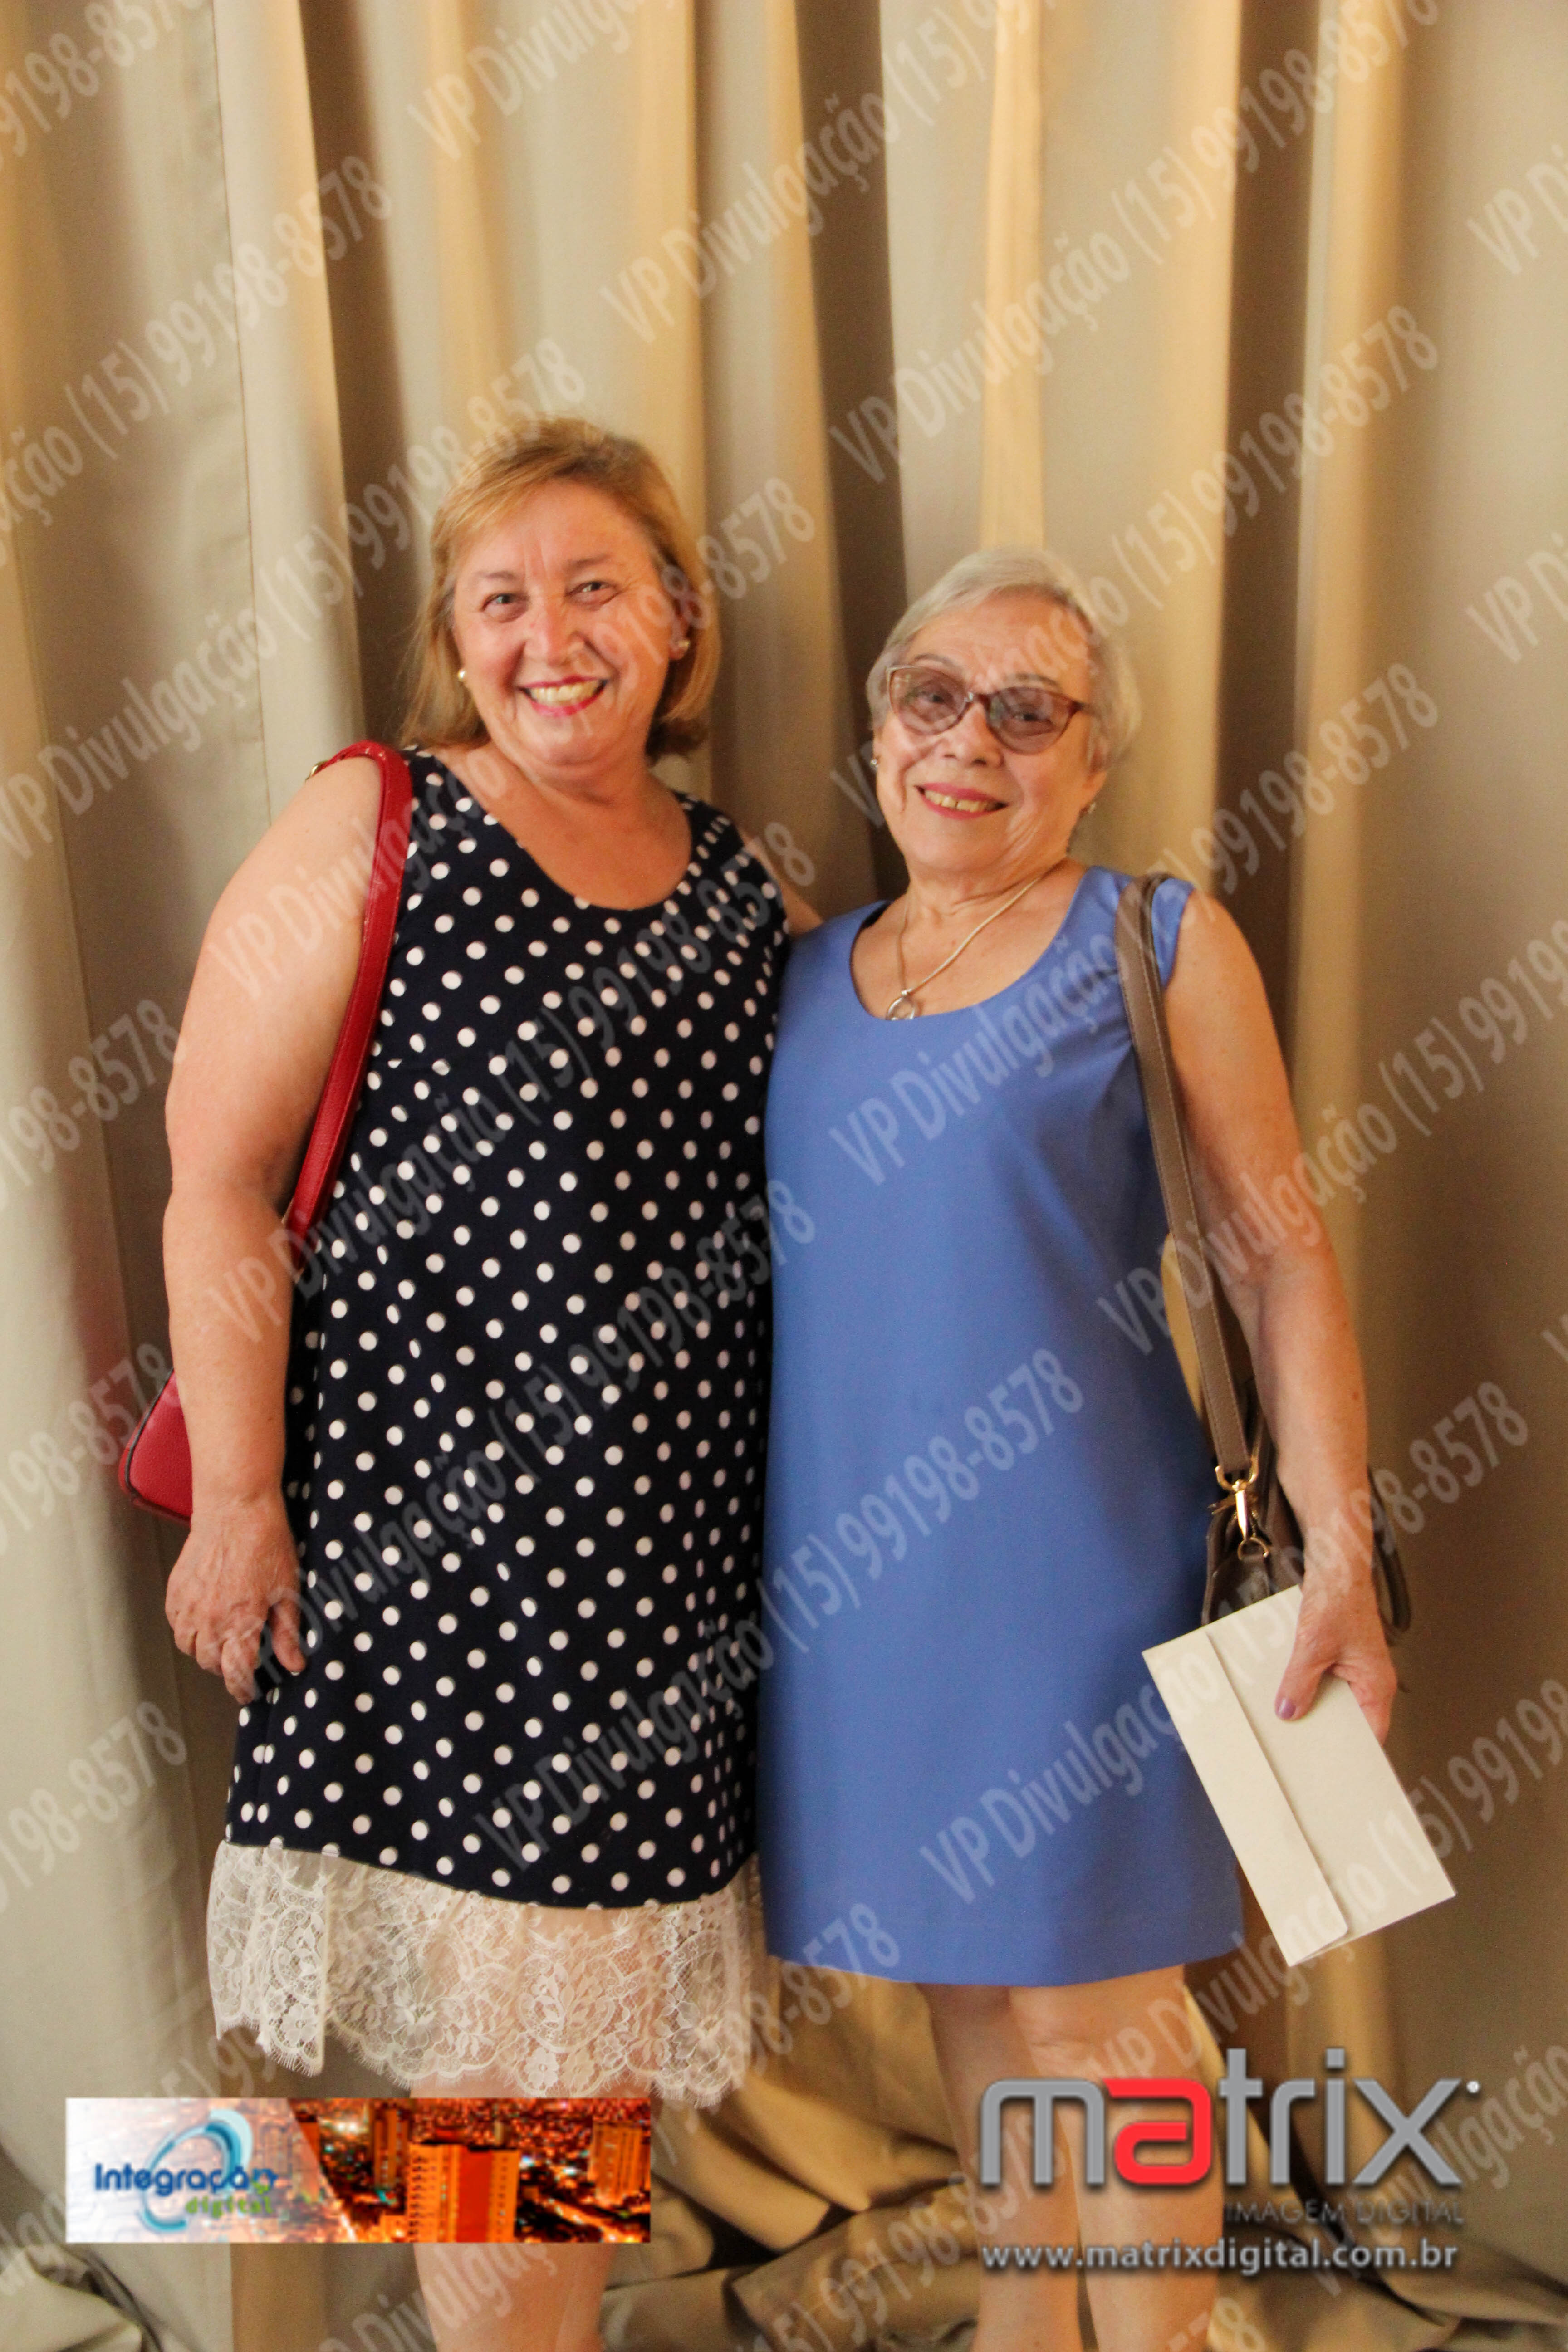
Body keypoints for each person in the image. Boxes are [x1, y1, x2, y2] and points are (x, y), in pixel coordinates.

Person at [163, 416, 812, 2351]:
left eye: (594, 587)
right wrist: (240, 1500)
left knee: (558, 2097)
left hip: (663, 1592)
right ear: (454, 636)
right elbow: (215, 1181)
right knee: (526, 2091)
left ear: (678, 620)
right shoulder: (379, 821)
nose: (549, 637)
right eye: (500, 598)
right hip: (432, 1567)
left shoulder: (735, 885)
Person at [756, 548, 1396, 2352]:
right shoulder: (798, 979)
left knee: (1104, 2021)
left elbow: (1279, 1259)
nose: (972, 742)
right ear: (880, 729)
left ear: (1094, 761)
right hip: (860, 1593)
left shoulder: (1157, 938)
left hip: (1084, 1583)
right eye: (934, 699)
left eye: (1030, 712)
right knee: (970, 1996)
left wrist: (1343, 1558)